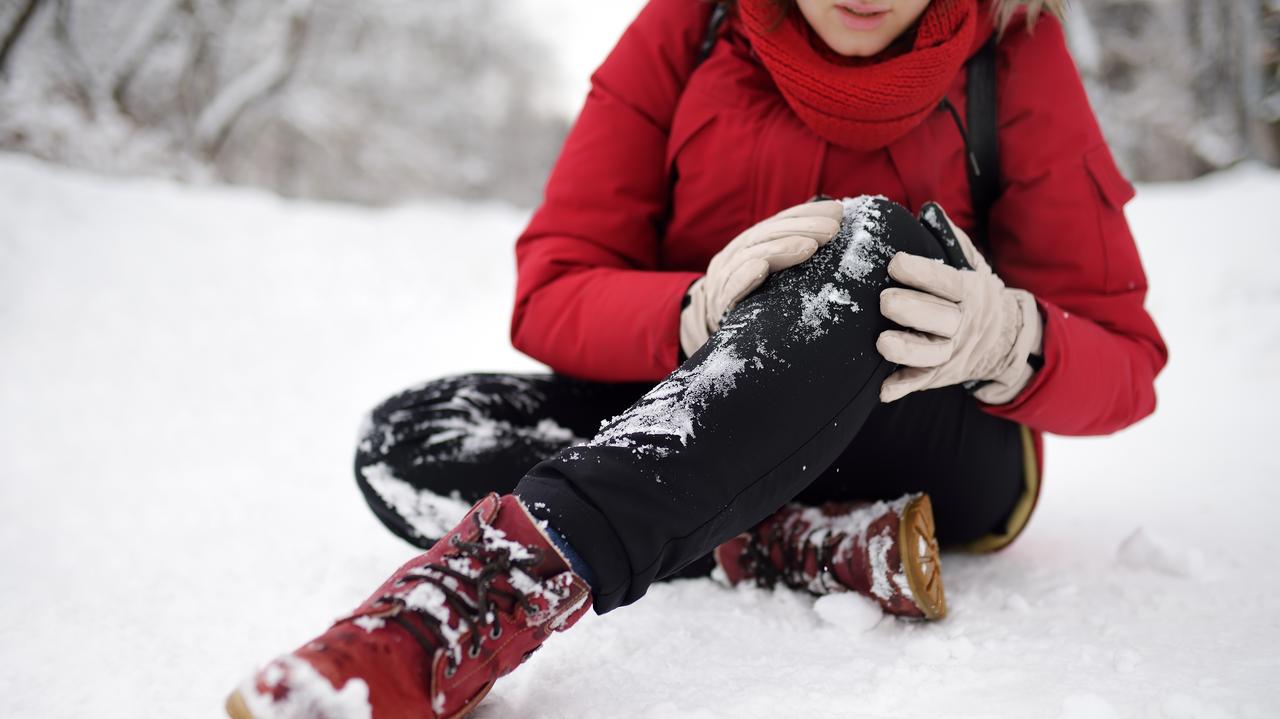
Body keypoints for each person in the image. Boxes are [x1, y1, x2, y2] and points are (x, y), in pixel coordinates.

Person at [227, 0, 1167, 716]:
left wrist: (1011, 336)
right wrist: (692, 310)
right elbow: (550, 285)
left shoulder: (1016, 47)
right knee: (411, 436)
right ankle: (783, 541)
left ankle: (467, 604)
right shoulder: (692, 27)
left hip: (932, 433)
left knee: (869, 245)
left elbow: (1128, 360)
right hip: (702, 412)